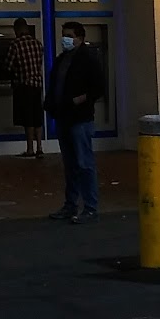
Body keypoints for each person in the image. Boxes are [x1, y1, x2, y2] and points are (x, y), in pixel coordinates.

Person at [47, 20, 105, 222]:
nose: (65, 39)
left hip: (80, 118)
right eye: (64, 35)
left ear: (80, 39)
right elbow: (55, 84)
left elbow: (98, 87)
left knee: (84, 163)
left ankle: (90, 207)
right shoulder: (62, 59)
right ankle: (70, 205)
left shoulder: (88, 59)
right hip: (63, 117)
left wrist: (80, 99)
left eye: (69, 36)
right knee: (70, 164)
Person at [5, 17, 46, 157]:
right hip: (37, 85)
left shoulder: (15, 44)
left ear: (16, 29)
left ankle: (30, 149)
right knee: (37, 117)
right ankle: (39, 147)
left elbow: (8, 66)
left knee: (28, 117)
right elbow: (39, 64)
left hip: (24, 85)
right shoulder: (38, 44)